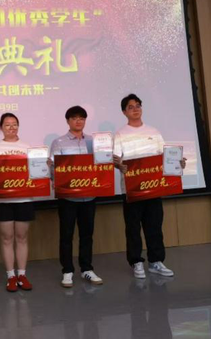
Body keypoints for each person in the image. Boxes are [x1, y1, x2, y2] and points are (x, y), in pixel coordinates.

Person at [113, 93, 186, 279]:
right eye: (131, 107)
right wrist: (119, 165)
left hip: (154, 187)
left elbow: (165, 156)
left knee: (154, 226)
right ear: (124, 112)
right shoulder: (120, 134)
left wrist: (178, 162)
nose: (135, 109)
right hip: (132, 189)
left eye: (138, 105)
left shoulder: (153, 132)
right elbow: (116, 159)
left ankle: (156, 261)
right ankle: (136, 262)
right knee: (133, 228)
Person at [49, 105, 103, 287]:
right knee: (67, 235)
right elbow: (54, 170)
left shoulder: (94, 142)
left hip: (89, 196)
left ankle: (87, 268)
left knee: (87, 234)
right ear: (68, 121)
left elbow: (101, 165)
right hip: (68, 198)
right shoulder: (59, 142)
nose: (78, 121)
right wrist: (54, 175)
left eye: (81, 118)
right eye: (74, 118)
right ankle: (67, 270)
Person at [0, 113, 34, 292]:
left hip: (24, 198)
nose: (11, 127)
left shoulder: (27, 147)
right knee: (7, 238)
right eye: (7, 125)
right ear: (1, 128)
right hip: (2, 200)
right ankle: (11, 276)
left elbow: (34, 171)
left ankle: (22, 274)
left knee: (22, 237)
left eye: (14, 124)